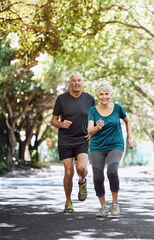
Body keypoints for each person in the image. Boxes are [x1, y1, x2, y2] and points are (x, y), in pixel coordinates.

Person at [87, 82, 134, 217]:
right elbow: (90, 130)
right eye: (101, 94)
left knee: (112, 171)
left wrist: (129, 137)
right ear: (97, 95)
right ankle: (103, 206)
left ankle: (115, 204)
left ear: (111, 95)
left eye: (106, 94)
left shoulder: (118, 108)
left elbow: (128, 121)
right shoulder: (93, 111)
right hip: (97, 146)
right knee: (97, 177)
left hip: (115, 144)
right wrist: (97, 126)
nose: (104, 96)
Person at [50, 72, 95, 213]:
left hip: (82, 138)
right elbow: (53, 120)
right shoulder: (62, 99)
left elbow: (94, 119)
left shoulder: (90, 99)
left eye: (79, 80)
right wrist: (61, 124)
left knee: (82, 169)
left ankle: (82, 181)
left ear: (83, 83)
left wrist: (92, 133)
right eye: (74, 80)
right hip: (65, 140)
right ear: (70, 83)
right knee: (68, 172)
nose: (76, 83)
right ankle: (68, 202)